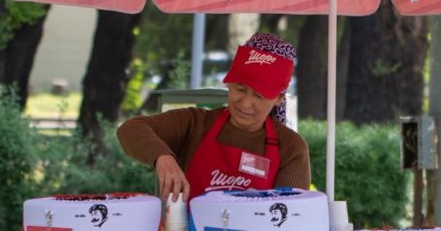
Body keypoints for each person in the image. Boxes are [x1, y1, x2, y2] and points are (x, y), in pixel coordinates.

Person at [117, 33, 311, 202]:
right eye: (239, 89)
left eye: (259, 96)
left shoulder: (291, 148)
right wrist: (162, 158)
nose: (245, 103)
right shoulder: (196, 123)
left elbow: (288, 217)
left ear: (279, 99)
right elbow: (131, 128)